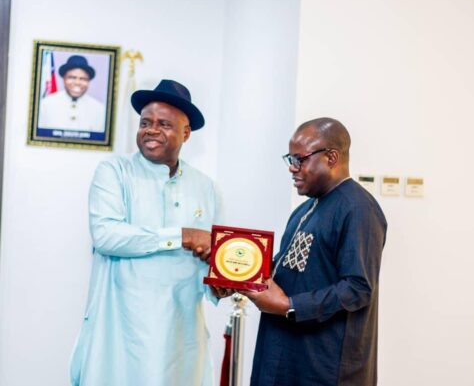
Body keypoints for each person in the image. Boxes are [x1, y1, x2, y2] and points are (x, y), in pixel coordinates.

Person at [70, 79, 227, 386]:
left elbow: (211, 253)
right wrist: (181, 235)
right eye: (145, 123)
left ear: (186, 133)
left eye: (164, 124)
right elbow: (106, 235)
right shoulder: (114, 173)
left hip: (180, 335)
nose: (151, 130)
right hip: (120, 329)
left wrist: (219, 284)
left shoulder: (206, 188)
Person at [241, 118, 387, 386]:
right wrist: (236, 277)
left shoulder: (357, 209)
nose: (292, 168)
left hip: (324, 365)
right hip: (284, 354)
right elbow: (285, 269)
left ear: (331, 157)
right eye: (290, 159)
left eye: (300, 159)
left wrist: (290, 306)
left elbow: (357, 288)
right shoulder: (305, 210)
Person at [38, 55, 106, 132]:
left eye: (83, 79)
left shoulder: (100, 109)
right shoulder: (45, 105)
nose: (77, 82)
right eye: (72, 77)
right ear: (64, 79)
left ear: (88, 81)